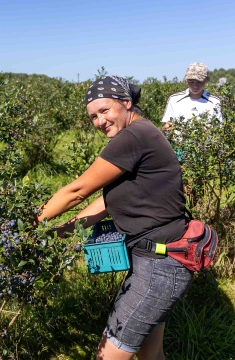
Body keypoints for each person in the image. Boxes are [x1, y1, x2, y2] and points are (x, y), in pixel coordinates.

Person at [36, 76, 192, 360]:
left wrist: (31, 225)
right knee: (151, 354)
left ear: (126, 103)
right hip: (160, 260)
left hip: (159, 266)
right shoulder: (142, 131)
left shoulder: (133, 136)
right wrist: (65, 230)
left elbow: (77, 191)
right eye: (93, 116)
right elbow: (108, 200)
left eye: (105, 110)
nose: (99, 121)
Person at [160, 62, 222, 133]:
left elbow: (219, 129)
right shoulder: (174, 99)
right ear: (186, 80)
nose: (195, 86)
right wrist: (166, 127)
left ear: (206, 80)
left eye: (199, 82)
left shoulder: (215, 102)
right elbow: (167, 125)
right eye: (191, 82)